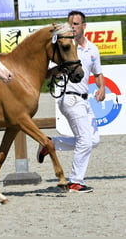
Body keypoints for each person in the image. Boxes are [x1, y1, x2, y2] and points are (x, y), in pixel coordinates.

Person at [37, 10, 106, 193]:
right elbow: (45, 74)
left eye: (76, 24)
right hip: (69, 97)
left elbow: (98, 74)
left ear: (84, 26)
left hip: (85, 99)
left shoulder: (92, 49)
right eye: (70, 24)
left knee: (93, 140)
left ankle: (50, 143)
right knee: (85, 140)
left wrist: (101, 88)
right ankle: (75, 181)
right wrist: (57, 70)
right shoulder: (63, 46)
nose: (73, 27)